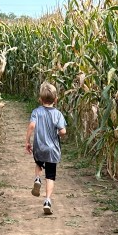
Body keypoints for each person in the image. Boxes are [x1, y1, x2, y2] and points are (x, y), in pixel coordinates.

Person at [25, 82, 67, 215]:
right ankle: (47, 200)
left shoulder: (36, 112)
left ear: (40, 99)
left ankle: (37, 178)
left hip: (39, 147)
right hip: (52, 150)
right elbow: (63, 131)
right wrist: (58, 134)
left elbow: (32, 126)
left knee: (38, 164)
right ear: (56, 99)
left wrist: (27, 141)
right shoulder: (58, 114)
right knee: (50, 176)